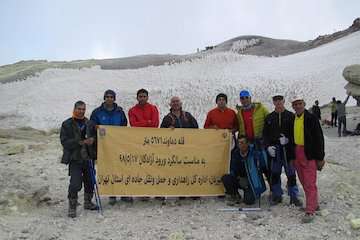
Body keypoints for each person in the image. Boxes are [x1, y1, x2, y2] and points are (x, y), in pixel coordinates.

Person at [90, 89, 129, 205]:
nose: (109, 99)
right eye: (107, 96)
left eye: (111, 97)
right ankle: (112, 194)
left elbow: (124, 126)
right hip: (104, 146)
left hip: (118, 145)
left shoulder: (120, 112)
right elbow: (91, 126)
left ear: (114, 98)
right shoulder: (97, 112)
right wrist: (96, 127)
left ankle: (123, 193)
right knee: (108, 169)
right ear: (104, 98)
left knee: (121, 168)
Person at [60, 101, 98, 218]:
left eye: (83, 109)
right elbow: (64, 142)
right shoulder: (67, 124)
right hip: (75, 158)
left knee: (90, 181)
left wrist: (93, 140)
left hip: (88, 157)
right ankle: (72, 206)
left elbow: (95, 137)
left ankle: (88, 202)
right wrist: (80, 142)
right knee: (75, 183)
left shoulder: (90, 123)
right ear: (74, 109)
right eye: (79, 109)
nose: (81, 111)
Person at [263, 94, 301, 206]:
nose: (278, 102)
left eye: (280, 100)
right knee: (275, 173)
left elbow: (296, 133)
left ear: (284, 101)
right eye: (276, 101)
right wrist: (268, 147)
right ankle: (277, 195)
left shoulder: (291, 116)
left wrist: (289, 140)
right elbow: (265, 135)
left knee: (291, 173)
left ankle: (293, 196)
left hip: (288, 149)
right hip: (275, 149)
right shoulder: (269, 117)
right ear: (273, 102)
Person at [291, 96, 325, 223]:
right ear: (293, 106)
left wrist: (320, 157)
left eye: (299, 103)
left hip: (309, 153)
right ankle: (313, 204)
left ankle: (310, 210)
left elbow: (319, 138)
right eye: (295, 104)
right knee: (304, 181)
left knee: (310, 182)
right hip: (297, 152)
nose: (298, 106)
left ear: (304, 104)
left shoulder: (311, 118)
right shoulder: (293, 118)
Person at [236, 90, 270, 183]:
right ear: (240, 100)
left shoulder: (261, 108)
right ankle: (256, 187)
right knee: (252, 167)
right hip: (248, 144)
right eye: (242, 98)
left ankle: (273, 189)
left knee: (265, 165)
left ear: (250, 98)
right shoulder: (239, 112)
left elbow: (270, 120)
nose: (245, 100)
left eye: (246, 97)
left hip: (260, 142)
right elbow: (236, 126)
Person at [221, 135, 266, 205]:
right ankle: (235, 195)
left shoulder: (254, 153)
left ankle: (251, 194)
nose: (241, 145)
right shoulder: (236, 153)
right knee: (226, 178)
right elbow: (232, 168)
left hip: (251, 182)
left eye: (242, 142)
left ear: (248, 143)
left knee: (249, 201)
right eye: (239, 143)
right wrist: (238, 178)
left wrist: (260, 154)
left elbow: (262, 166)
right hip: (240, 179)